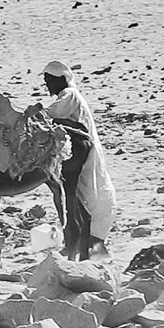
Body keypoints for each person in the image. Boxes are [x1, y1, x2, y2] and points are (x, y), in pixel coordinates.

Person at [41, 60, 117, 256]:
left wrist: (36, 112)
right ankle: (80, 247)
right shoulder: (68, 95)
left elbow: (54, 113)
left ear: (61, 80)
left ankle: (83, 246)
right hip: (82, 148)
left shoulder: (70, 94)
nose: (48, 85)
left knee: (80, 195)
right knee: (79, 196)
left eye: (50, 80)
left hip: (80, 149)